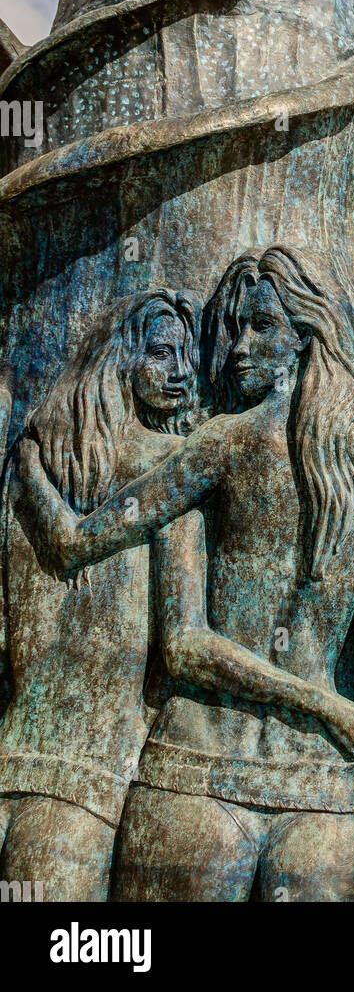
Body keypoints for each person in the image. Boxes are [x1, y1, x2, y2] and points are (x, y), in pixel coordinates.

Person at [31, 244, 354, 901]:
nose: (236, 350)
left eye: (261, 327)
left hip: (195, 777)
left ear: (309, 332)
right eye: (232, 329)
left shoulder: (221, 441)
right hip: (322, 790)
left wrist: (32, 472)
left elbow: (79, 547)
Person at [0, 289, 200, 901]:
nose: (182, 373)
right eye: (162, 354)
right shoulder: (174, 464)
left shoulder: (33, 456)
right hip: (91, 772)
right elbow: (183, 644)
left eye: (185, 357)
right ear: (120, 359)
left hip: (17, 746)